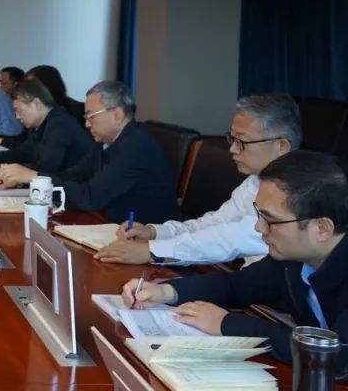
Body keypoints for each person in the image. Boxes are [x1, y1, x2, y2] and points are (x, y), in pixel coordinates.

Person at [122, 151, 348, 373]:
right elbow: (237, 285)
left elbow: (338, 356)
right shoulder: (293, 258)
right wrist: (166, 292)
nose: (259, 228)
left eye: (270, 220)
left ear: (322, 229)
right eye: (259, 215)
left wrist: (226, 323)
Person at [96, 93, 300, 265]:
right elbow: (211, 225)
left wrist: (151, 251)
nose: (232, 149)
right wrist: (154, 232)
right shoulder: (253, 182)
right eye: (232, 139)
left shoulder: (294, 195)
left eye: (242, 141)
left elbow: (225, 240)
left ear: (281, 146)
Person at [0, 80, 179, 223]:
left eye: (91, 116)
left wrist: (33, 177)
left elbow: (90, 197)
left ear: (117, 114)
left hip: (143, 237)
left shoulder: (135, 146)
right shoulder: (104, 141)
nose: (87, 124)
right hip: (108, 222)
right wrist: (26, 178)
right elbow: (72, 176)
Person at [0, 79, 91, 176]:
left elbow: (46, 170)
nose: (17, 117)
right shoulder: (39, 123)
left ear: (36, 104)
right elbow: (24, 153)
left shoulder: (60, 125)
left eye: (18, 110)